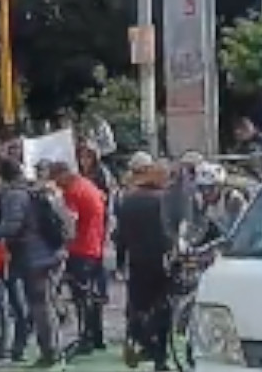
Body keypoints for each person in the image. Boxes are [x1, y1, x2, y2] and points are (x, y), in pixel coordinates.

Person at [0, 155, 63, 367]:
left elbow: (12, 227)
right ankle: (43, 348)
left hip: (31, 256)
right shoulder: (27, 191)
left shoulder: (13, 196)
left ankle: (49, 352)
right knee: (38, 304)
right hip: (40, 253)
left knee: (38, 305)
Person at [115, 157, 175, 371]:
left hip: (137, 261)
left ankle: (140, 339)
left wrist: (120, 261)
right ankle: (159, 355)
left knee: (138, 306)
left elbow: (120, 236)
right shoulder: (164, 200)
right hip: (161, 261)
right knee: (163, 308)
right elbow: (170, 233)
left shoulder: (128, 200)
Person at [50, 160, 107, 353]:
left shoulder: (72, 192)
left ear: (63, 174)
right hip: (95, 246)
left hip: (81, 249)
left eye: (56, 178)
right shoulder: (87, 184)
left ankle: (86, 338)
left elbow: (70, 223)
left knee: (81, 296)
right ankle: (97, 336)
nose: (55, 183)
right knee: (92, 294)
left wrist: (64, 243)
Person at [191, 162, 247, 244]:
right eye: (202, 188)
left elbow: (241, 229)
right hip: (222, 239)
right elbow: (200, 228)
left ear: (220, 186)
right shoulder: (202, 203)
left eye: (210, 188)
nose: (206, 192)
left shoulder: (233, 200)